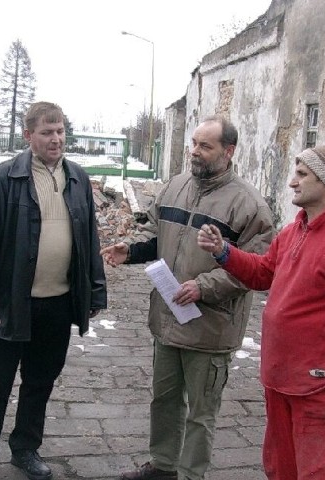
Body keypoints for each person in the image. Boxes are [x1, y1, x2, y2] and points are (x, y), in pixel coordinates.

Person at [197, 145, 325, 479]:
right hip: (280, 380)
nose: (292, 182)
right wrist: (224, 252)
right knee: (281, 470)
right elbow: (264, 273)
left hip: (324, 388)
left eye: (302, 174)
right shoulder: (293, 231)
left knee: (321, 473)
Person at [101, 116, 274, 480]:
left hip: (210, 329)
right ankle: (163, 465)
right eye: (193, 143)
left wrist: (204, 286)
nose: (195, 152)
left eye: (205, 146)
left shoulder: (249, 206)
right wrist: (129, 250)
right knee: (164, 400)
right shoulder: (175, 186)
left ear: (228, 152)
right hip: (167, 318)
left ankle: (192, 474)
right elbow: (154, 234)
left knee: (201, 413)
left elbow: (257, 267)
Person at [0, 101, 107, 480]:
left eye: (60, 131)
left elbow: (89, 239)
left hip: (57, 304)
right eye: (47, 132)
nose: (56, 139)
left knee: (40, 382)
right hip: (10, 303)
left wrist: (94, 291)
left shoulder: (77, 179)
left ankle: (26, 448)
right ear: (28, 136)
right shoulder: (4, 178)